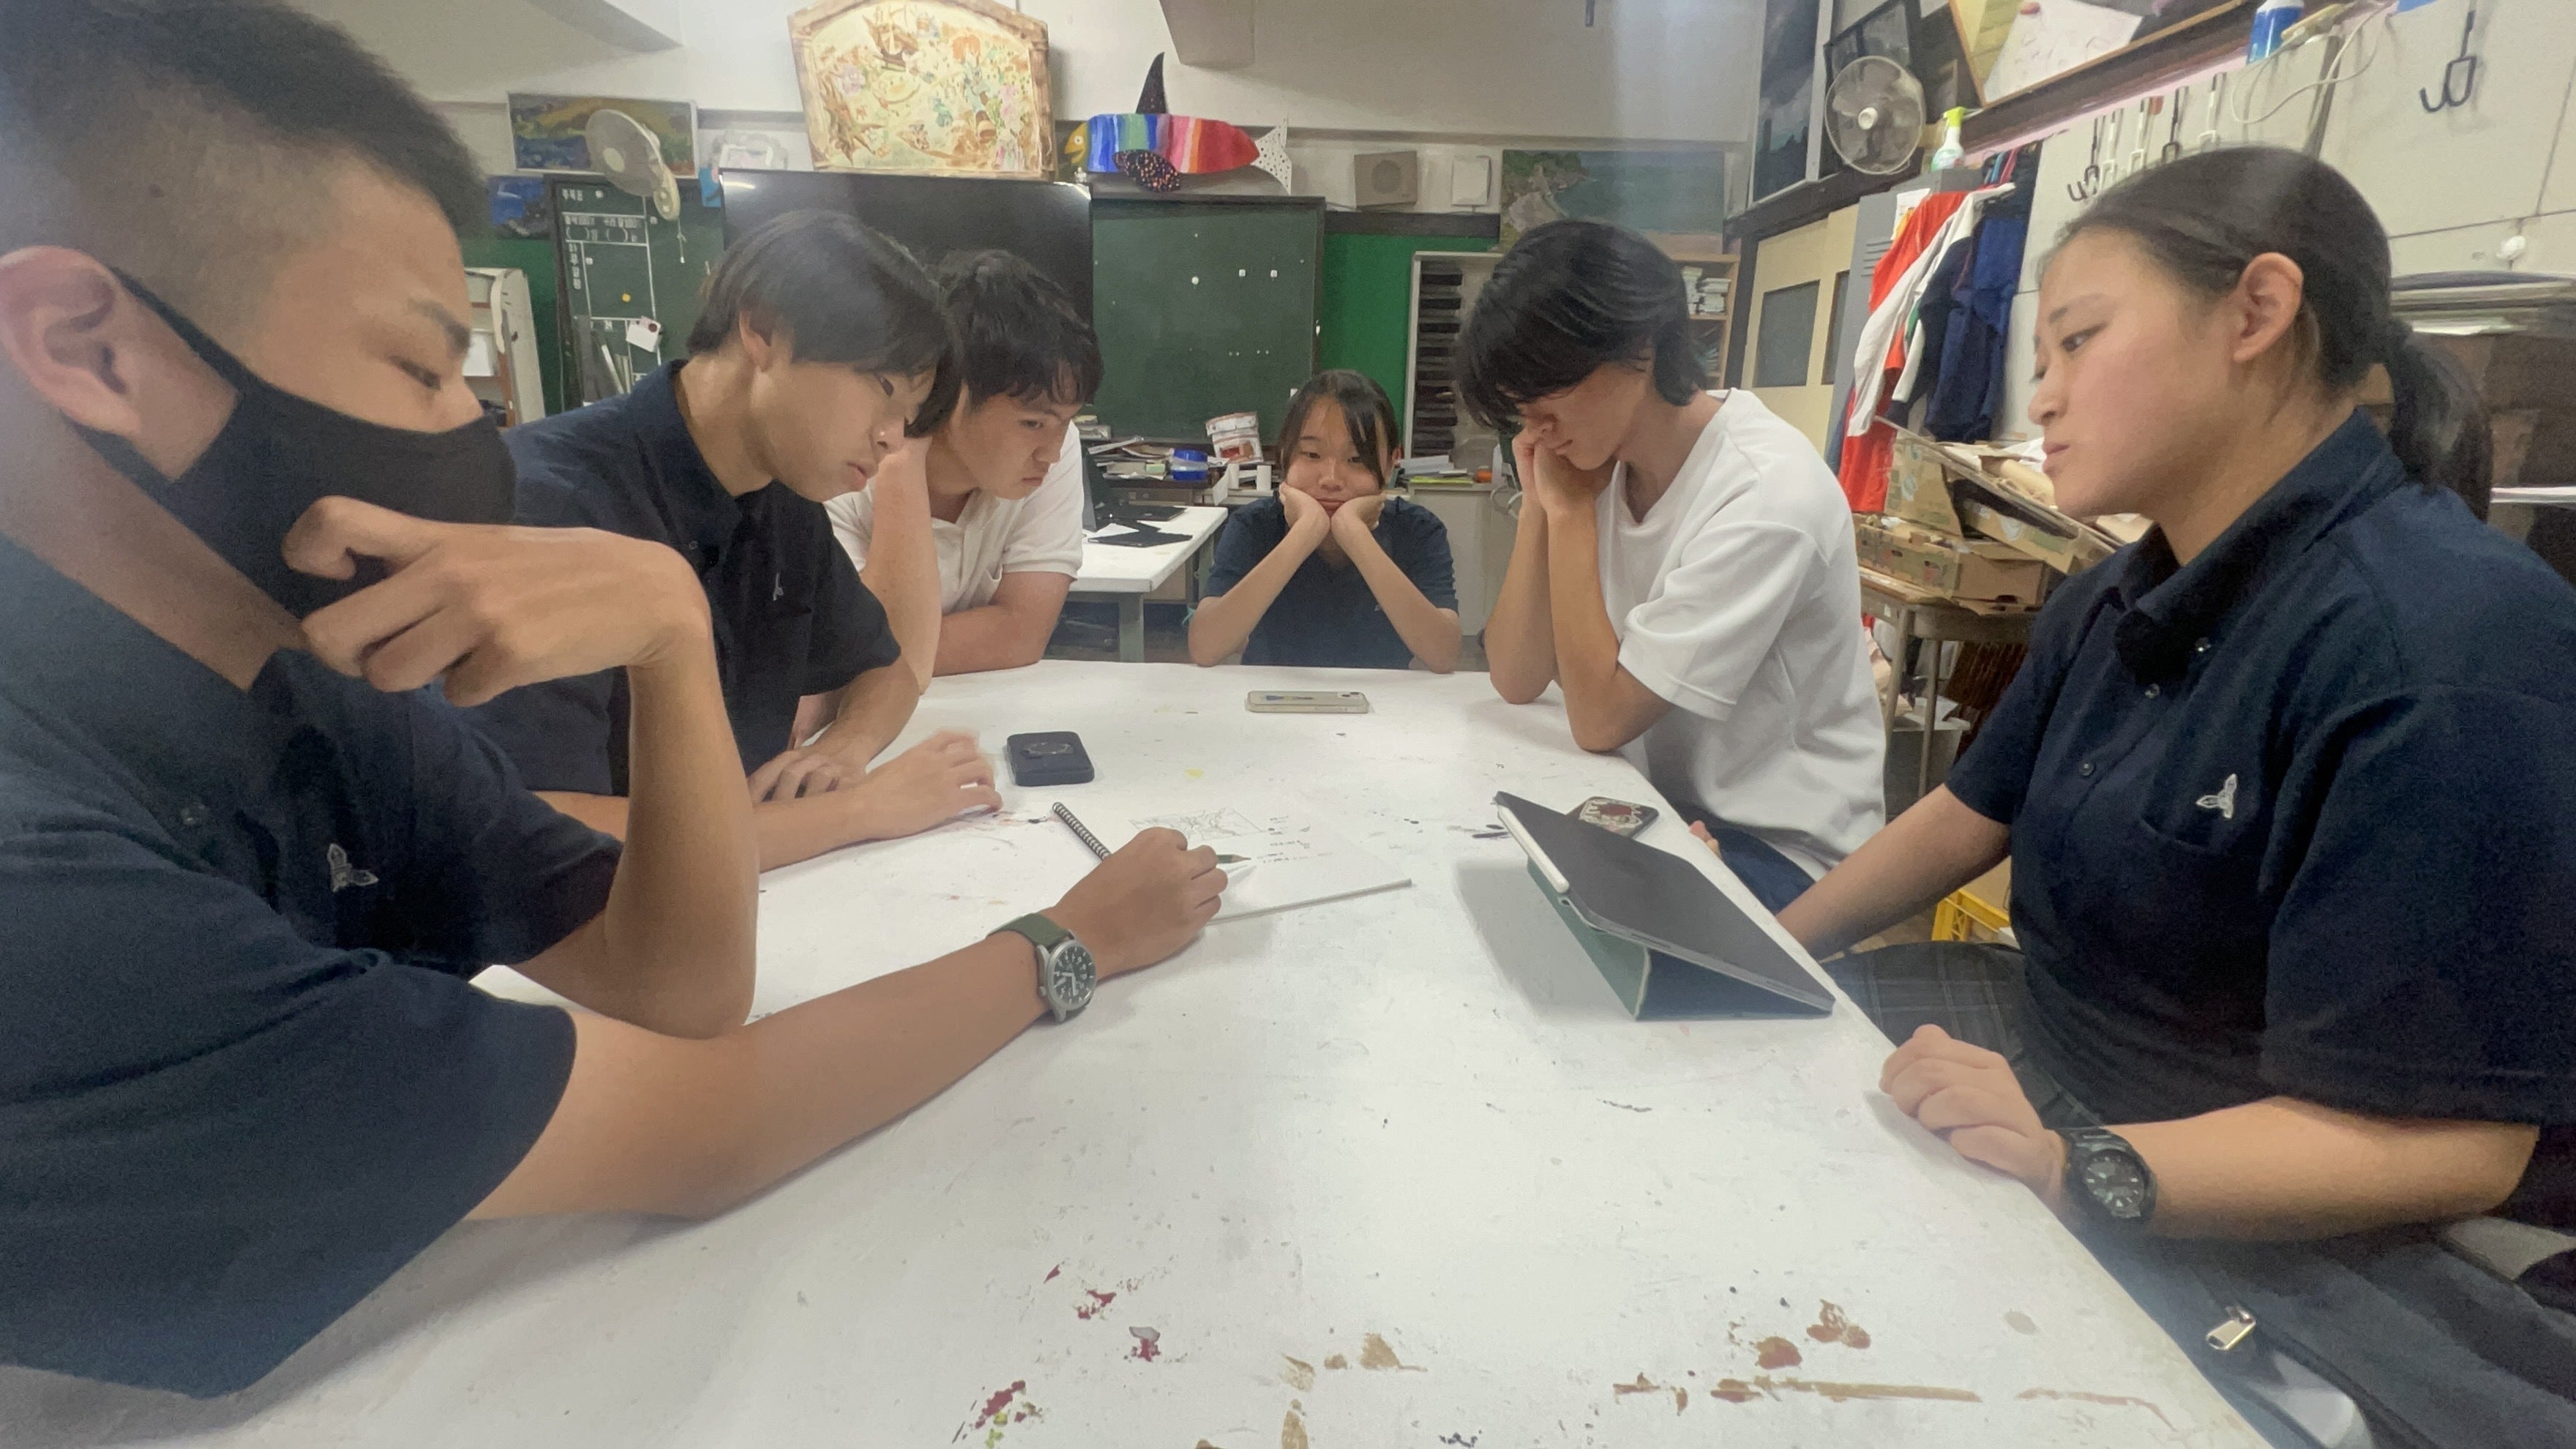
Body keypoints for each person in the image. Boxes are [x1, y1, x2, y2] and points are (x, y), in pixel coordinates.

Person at [0, 0, 1223, 1396]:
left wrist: (669, 637)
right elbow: (709, 1122)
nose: (473, 434)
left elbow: (680, 993)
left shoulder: (319, 699)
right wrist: (1070, 940)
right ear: (90, 351)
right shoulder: (42, 879)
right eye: (420, 368)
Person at [1777, 149, 2576, 1445]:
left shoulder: (2445, 645)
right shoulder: (2117, 593)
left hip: (2272, 1200)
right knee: (1744, 1079)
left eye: (2079, 340)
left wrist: (2073, 1164)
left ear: (2257, 312)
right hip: (2065, 1057)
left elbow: (2455, 1145)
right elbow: (1964, 814)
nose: (2043, 392)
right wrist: (1766, 945)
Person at [468, 211, 995, 870]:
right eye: (883, 392)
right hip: (575, 920)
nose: (891, 438)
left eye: (907, 419)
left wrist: (844, 751)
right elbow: (535, 823)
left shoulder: (784, 498)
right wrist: (857, 811)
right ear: (764, 331)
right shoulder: (552, 503)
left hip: (751, 895)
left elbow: (884, 667)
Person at [1462, 220, 1883, 913]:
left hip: (1784, 849)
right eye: (1519, 411)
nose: (1534, 429)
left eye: (1547, 395)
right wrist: (1541, 503)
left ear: (1640, 345)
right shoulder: (1596, 460)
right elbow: (1515, 676)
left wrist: (1570, 516)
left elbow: (1599, 719)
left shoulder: (1765, 495)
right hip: (1656, 801)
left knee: (1554, 933)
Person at [828, 250, 1096, 675]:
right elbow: (859, 651)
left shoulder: (1053, 449)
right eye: (1032, 423)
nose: (1051, 452)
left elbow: (1023, 631)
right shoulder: (840, 468)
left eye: (1067, 421)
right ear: (950, 392)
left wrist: (883, 656)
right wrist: (903, 460)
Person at [1187, 370, 1461, 671]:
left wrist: (1355, 535)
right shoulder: (1255, 525)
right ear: (1284, 454)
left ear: (1391, 462)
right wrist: (1305, 532)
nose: (1331, 479)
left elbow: (1443, 655)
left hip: (1381, 698)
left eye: (1356, 459)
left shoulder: (1418, 530)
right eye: (1312, 454)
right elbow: (1205, 647)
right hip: (1274, 694)